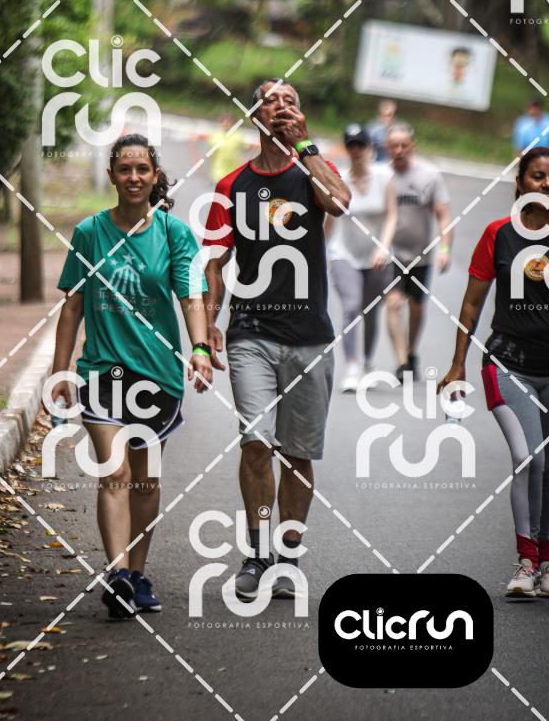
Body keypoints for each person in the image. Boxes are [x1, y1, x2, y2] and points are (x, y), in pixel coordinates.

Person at [48, 133, 212, 619]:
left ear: (155, 175)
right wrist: (60, 372)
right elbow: (72, 305)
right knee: (114, 472)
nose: (134, 177)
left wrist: (200, 347)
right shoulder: (89, 232)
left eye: (143, 170)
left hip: (158, 375)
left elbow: (191, 297)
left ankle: (137, 574)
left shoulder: (174, 234)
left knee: (145, 481)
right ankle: (118, 573)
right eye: (125, 169)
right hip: (102, 370)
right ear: (112, 176)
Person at [202, 78, 350, 600]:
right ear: (255, 115)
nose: (282, 106)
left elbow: (340, 204)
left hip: (310, 335)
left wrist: (306, 146)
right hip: (251, 333)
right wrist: (209, 325)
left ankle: (288, 554)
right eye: (271, 100)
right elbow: (215, 262)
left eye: (292, 100)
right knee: (256, 442)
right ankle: (257, 553)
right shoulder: (230, 186)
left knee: (298, 454)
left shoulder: (313, 173)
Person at [438, 147, 549, 598]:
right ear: (520, 182)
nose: (547, 185)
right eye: (538, 176)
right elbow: (471, 303)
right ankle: (526, 562)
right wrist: (457, 364)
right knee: (529, 458)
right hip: (509, 365)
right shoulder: (498, 234)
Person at [325, 123, 397, 392]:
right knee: (352, 306)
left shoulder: (384, 176)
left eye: (361, 145)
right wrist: (317, 250)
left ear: (369, 147)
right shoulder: (339, 180)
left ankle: (367, 360)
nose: (356, 150)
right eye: (351, 145)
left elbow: (392, 216)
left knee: (370, 311)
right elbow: (330, 220)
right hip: (344, 254)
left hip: (377, 257)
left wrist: (383, 247)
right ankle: (352, 367)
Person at [385, 123, 452, 382]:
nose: (399, 150)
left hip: (421, 256)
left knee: (416, 307)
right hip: (391, 253)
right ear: (387, 147)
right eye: (394, 146)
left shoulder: (430, 175)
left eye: (404, 145)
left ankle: (412, 351)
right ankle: (401, 361)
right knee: (393, 303)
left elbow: (443, 216)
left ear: (412, 146)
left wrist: (444, 249)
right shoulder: (382, 175)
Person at [207, 112, 249, 184]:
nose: (225, 124)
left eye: (228, 122)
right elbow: (211, 157)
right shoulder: (214, 137)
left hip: (234, 171)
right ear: (220, 123)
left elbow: (247, 148)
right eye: (223, 121)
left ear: (232, 123)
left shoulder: (238, 135)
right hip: (219, 172)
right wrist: (211, 173)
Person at [366, 98, 398, 162]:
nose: (390, 118)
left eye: (392, 114)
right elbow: (367, 148)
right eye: (387, 115)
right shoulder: (372, 129)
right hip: (378, 162)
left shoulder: (399, 128)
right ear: (379, 115)